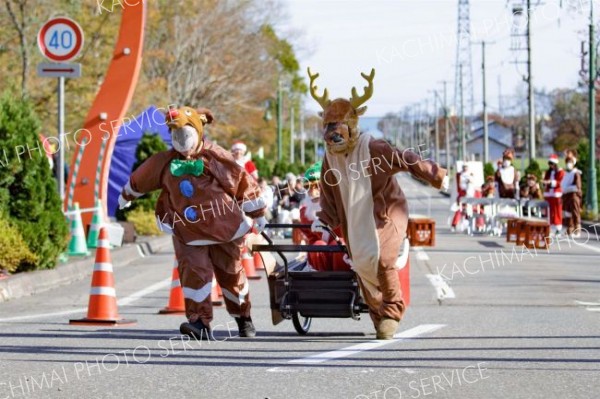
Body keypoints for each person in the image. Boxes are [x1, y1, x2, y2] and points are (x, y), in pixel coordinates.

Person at [307, 67, 448, 339]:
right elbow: (328, 190)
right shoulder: (330, 157)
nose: (333, 137)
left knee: (383, 259)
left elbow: (406, 158)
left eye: (338, 131)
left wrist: (435, 174)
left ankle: (393, 311)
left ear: (351, 126)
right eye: (328, 130)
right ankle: (378, 316)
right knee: (360, 263)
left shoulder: (373, 148)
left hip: (387, 212)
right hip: (354, 217)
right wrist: (326, 219)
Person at [119, 106, 267, 339]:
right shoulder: (166, 161)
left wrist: (257, 211)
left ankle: (243, 318)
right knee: (193, 274)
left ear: (198, 132)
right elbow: (145, 174)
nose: (181, 141)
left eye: (185, 135)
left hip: (223, 227)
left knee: (231, 275)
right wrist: (128, 193)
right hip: (187, 230)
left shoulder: (215, 155)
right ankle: (199, 323)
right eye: (175, 136)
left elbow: (240, 180)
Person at [298, 161, 349, 271]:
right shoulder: (304, 213)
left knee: (339, 245)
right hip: (319, 257)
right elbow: (311, 240)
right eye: (308, 187)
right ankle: (320, 280)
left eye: (317, 186)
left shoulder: (342, 207)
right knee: (317, 246)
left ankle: (342, 281)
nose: (313, 192)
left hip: (342, 252)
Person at [543, 154, 565, 236]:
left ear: (555, 164)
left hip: (557, 194)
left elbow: (560, 182)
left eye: (552, 163)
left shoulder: (560, 171)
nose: (550, 165)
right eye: (549, 163)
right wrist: (545, 183)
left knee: (557, 211)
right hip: (549, 193)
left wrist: (551, 182)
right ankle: (550, 227)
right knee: (549, 211)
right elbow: (545, 180)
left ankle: (558, 228)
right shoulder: (548, 172)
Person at [561, 152, 582, 237]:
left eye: (570, 162)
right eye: (567, 162)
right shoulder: (566, 173)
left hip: (574, 196)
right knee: (567, 213)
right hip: (566, 196)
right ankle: (569, 229)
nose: (568, 164)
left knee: (575, 213)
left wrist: (567, 188)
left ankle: (577, 230)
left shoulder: (576, 173)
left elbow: (577, 187)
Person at [451, 163, 475, 231]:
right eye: (464, 167)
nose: (465, 168)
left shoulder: (471, 174)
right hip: (461, 194)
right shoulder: (459, 175)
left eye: (466, 167)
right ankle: (454, 224)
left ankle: (469, 225)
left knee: (469, 210)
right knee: (459, 210)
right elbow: (457, 185)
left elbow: (472, 184)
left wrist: (470, 181)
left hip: (469, 195)